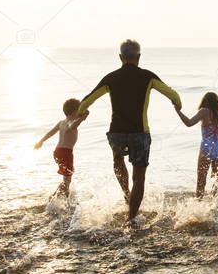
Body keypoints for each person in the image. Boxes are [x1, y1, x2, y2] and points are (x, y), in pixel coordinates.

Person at [75, 39, 182, 220]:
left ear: (120, 57)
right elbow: (173, 94)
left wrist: (82, 111)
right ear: (138, 57)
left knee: (118, 161)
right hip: (140, 133)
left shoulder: (110, 78)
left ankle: (126, 194)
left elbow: (85, 102)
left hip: (117, 133)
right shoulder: (147, 76)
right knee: (139, 178)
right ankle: (131, 218)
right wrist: (177, 104)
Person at [34, 98, 89, 199]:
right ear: (73, 112)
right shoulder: (71, 122)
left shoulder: (61, 122)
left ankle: (58, 197)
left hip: (57, 152)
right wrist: (81, 119)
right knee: (67, 180)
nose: (81, 112)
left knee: (67, 178)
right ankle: (58, 199)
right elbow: (72, 127)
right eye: (80, 110)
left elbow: (51, 133)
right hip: (66, 153)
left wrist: (41, 141)